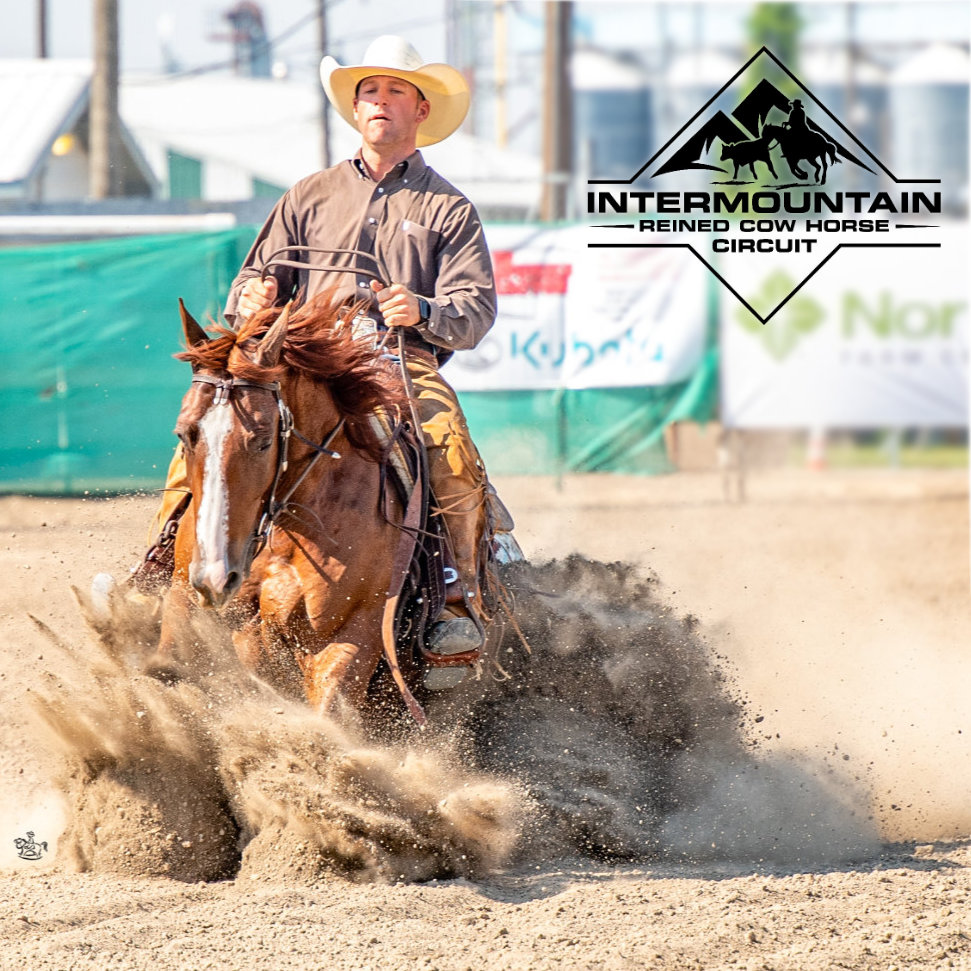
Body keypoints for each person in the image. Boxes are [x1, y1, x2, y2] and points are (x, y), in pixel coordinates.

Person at [136, 35, 497, 668]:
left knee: (447, 443)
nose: (380, 102)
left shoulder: (449, 209)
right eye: (369, 92)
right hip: (300, 363)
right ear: (356, 111)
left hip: (397, 365)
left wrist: (425, 311)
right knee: (204, 427)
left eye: (395, 92)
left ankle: (454, 596)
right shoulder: (305, 195)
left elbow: (475, 310)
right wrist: (253, 296)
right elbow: (250, 282)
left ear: (421, 112)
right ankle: (165, 556)